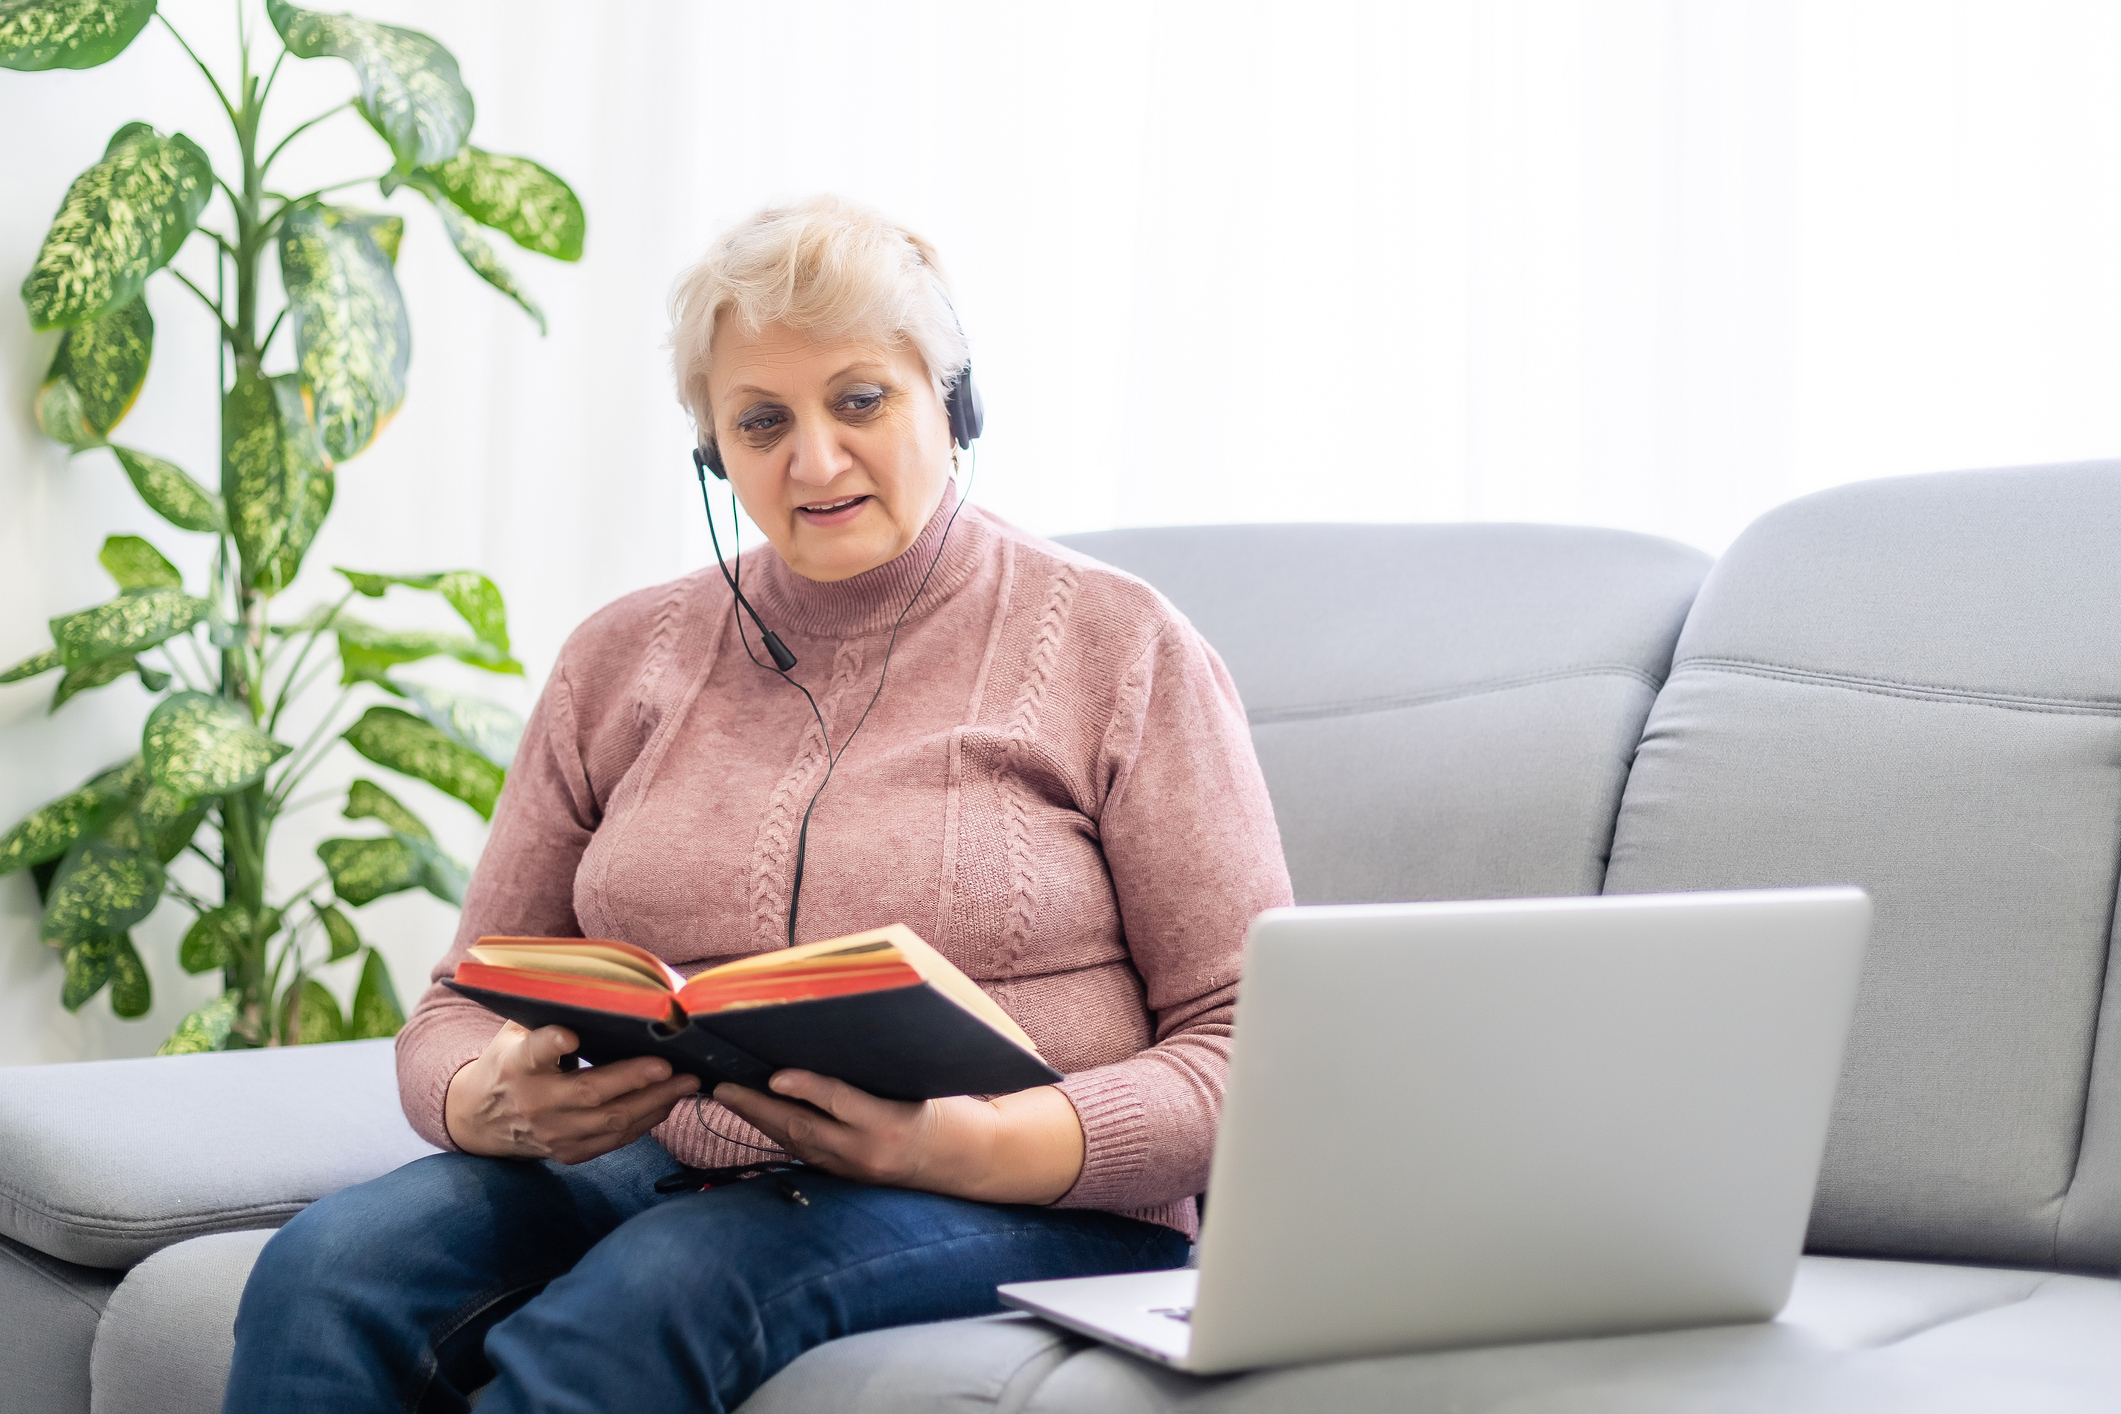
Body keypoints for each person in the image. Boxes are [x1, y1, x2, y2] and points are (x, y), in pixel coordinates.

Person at [222, 195, 1291, 1414]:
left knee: (645, 1305)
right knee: (325, 1270)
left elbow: (1249, 1049)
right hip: (678, 1163)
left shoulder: (1120, 644)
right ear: (711, 450)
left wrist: (966, 1142)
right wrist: (496, 1096)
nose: (815, 460)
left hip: (1023, 1197)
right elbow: (459, 1003)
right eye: (763, 420)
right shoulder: (620, 659)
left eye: (860, 400)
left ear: (951, 401)